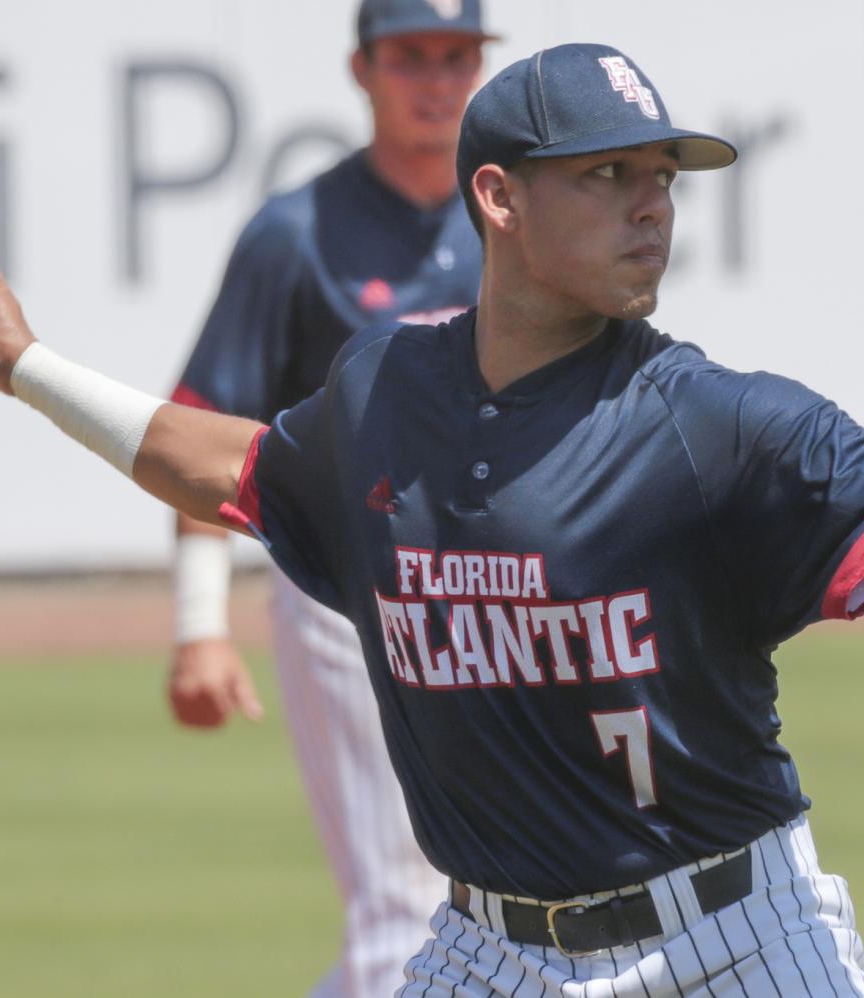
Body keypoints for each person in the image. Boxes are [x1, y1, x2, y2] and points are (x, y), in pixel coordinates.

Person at [0, 42, 864, 997]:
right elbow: (219, 462)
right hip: (489, 951)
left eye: (660, 178)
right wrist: (24, 363)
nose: (649, 205)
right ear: (497, 197)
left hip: (735, 940)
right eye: (606, 175)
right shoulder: (380, 393)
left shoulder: (709, 421)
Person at [164, 2, 492, 994]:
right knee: (401, 904)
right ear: (363, 69)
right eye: (409, 57)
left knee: (475, 896)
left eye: (456, 55)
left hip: (493, 585)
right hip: (345, 591)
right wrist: (198, 624)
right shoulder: (296, 234)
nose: (434, 79)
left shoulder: (513, 220)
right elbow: (200, 422)